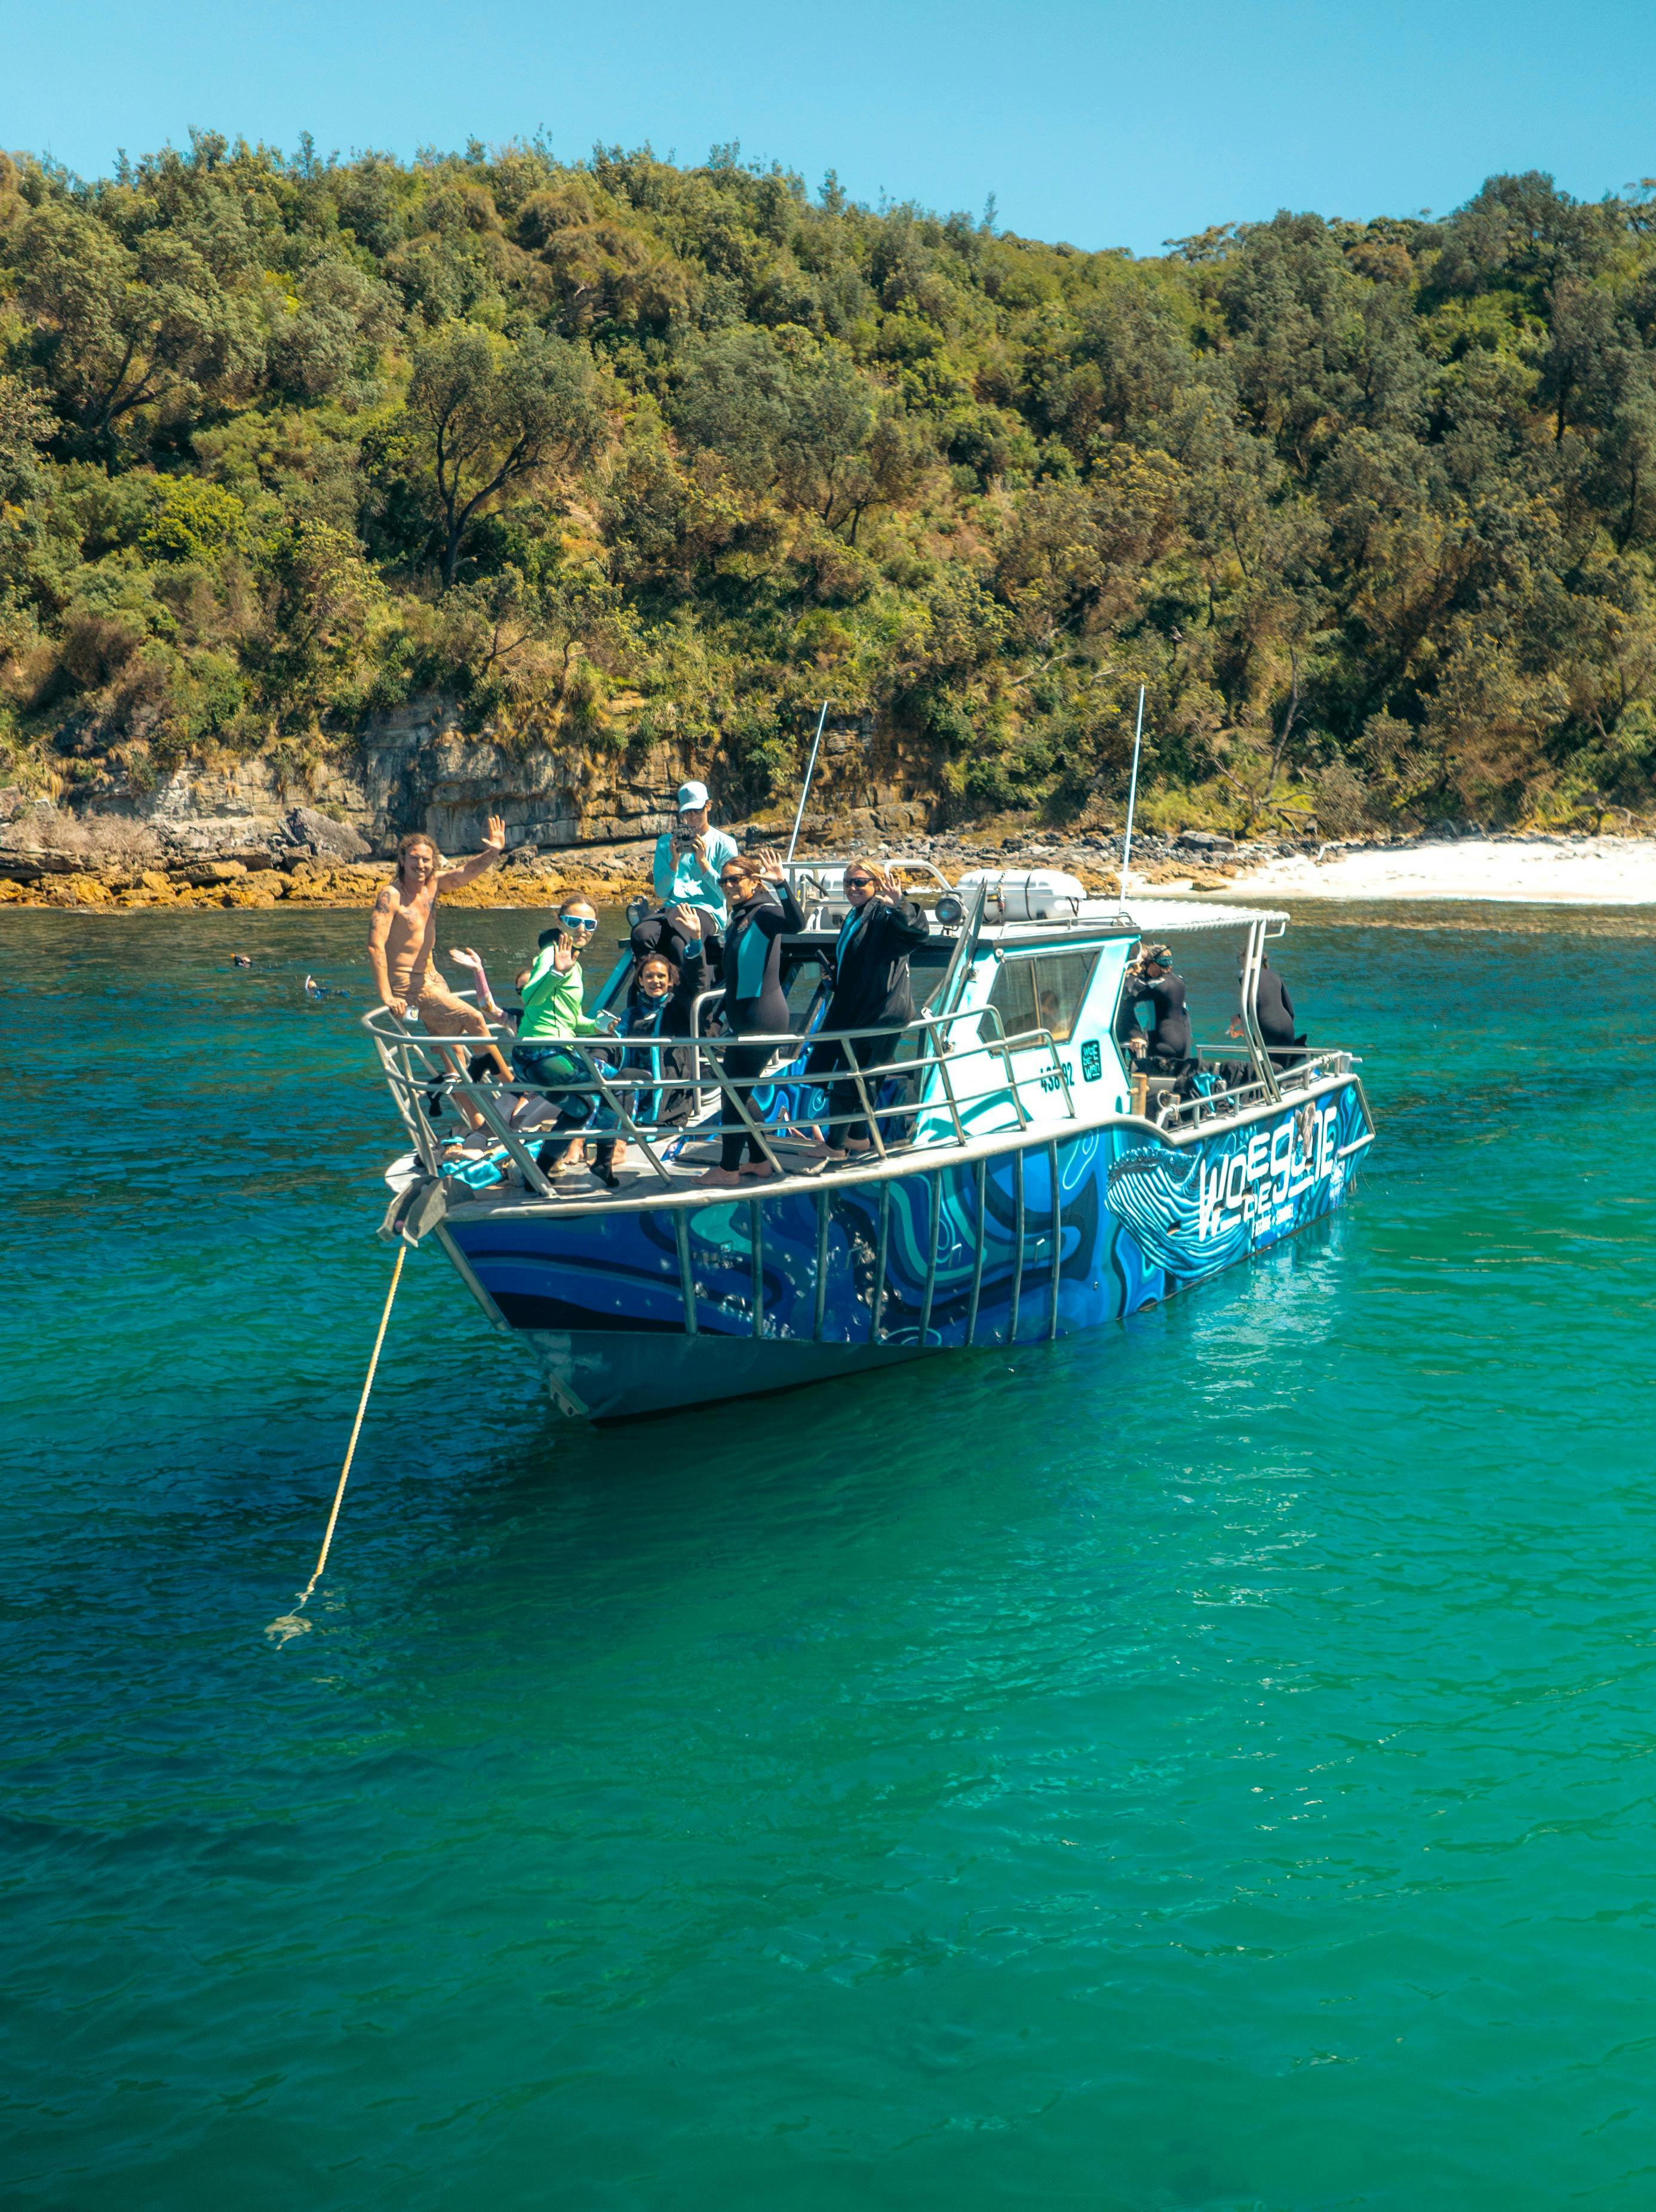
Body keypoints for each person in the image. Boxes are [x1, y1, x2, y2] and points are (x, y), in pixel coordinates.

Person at [367, 820, 512, 1120]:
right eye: (415, 859)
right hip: (409, 986)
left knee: (454, 1056)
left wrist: (494, 852)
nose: (421, 865)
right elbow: (375, 946)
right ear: (403, 860)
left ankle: (477, 1123)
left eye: (427, 860)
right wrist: (387, 996)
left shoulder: (433, 886)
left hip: (434, 980)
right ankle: (515, 1088)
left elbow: (464, 875)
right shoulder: (390, 896)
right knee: (473, 1017)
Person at [804, 859, 930, 1162]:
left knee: (851, 1077)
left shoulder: (884, 914)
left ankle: (835, 1146)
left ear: (875, 884)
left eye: (860, 882)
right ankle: (858, 1138)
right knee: (863, 1076)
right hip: (861, 1008)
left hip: (879, 1012)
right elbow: (861, 959)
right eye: (848, 882)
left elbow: (914, 934)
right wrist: (836, 974)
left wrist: (900, 906)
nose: (852, 888)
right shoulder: (857, 914)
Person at [700, 845, 804, 1188]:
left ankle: (729, 1169)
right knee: (737, 1091)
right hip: (745, 1017)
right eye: (723, 880)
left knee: (733, 1089)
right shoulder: (740, 916)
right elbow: (734, 973)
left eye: (735, 879)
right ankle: (758, 1160)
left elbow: (797, 924)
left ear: (753, 881)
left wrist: (782, 885)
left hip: (763, 1017)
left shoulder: (765, 912)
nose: (728, 885)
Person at [509, 898, 617, 1173]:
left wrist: (597, 1027)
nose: (582, 929)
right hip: (546, 1054)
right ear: (559, 922)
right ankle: (605, 1161)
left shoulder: (573, 963)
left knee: (579, 1110)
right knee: (619, 1084)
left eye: (590, 924)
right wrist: (557, 971)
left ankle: (540, 1170)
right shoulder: (552, 954)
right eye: (574, 922)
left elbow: (570, 1021)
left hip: (538, 1057)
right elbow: (531, 998)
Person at [581, 947, 703, 1186]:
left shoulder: (675, 1010)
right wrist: (601, 1047)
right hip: (632, 1081)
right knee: (597, 1064)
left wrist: (696, 944)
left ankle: (618, 1146)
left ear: (670, 982)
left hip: (663, 1087)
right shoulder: (632, 1013)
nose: (655, 981)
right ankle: (578, 1140)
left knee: (626, 1077)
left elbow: (695, 986)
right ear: (640, 980)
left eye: (661, 976)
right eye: (649, 976)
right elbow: (617, 1038)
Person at [635, 780, 738, 972]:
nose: (692, 817)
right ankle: (650, 990)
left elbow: (728, 894)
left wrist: (704, 863)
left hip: (707, 910)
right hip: (673, 908)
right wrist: (674, 862)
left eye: (697, 811)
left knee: (678, 943)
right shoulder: (666, 843)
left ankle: (692, 992)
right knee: (641, 934)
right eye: (687, 812)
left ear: (708, 806)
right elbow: (661, 892)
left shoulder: (725, 844)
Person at [1115, 943, 1193, 1072]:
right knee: (1176, 1085)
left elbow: (1130, 991)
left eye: (1147, 965)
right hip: (1183, 1043)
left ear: (1155, 965)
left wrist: (1134, 970)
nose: (1145, 969)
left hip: (1164, 1043)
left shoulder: (1159, 985)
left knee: (1151, 1084)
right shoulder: (1178, 981)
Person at [1230, 952, 1307, 1065]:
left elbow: (1252, 1002)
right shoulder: (1275, 976)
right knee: (1281, 1067)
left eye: (1240, 960)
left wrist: (1240, 1017)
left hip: (1268, 1028)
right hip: (1287, 1027)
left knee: (1259, 1066)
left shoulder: (1244, 975)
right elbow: (1290, 1010)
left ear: (1246, 958)